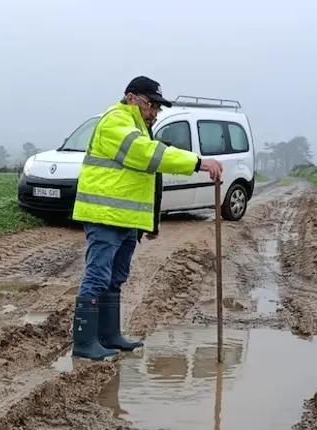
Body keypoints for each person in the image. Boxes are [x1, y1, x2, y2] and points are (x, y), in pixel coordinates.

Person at [71, 76, 223, 360]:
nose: (154, 111)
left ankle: (109, 336)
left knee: (116, 278)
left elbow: (148, 179)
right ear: (131, 98)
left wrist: (150, 223)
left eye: (157, 107)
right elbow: (148, 156)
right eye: (150, 104)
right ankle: (84, 341)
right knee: (97, 276)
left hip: (125, 219)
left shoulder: (139, 126)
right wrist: (198, 163)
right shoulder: (115, 121)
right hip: (105, 216)